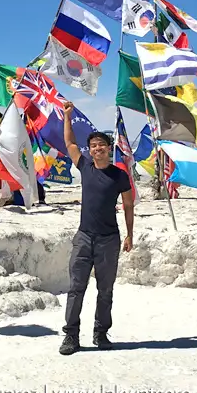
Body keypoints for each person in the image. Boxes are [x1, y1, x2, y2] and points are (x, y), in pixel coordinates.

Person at [59, 100, 135, 356]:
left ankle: (101, 333)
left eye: (101, 145)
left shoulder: (119, 175)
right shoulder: (85, 167)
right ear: (90, 150)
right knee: (76, 288)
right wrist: (67, 117)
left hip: (109, 240)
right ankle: (70, 336)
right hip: (84, 238)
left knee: (106, 290)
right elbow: (69, 144)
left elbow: (128, 206)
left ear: (108, 148)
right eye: (93, 146)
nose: (97, 149)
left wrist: (129, 235)